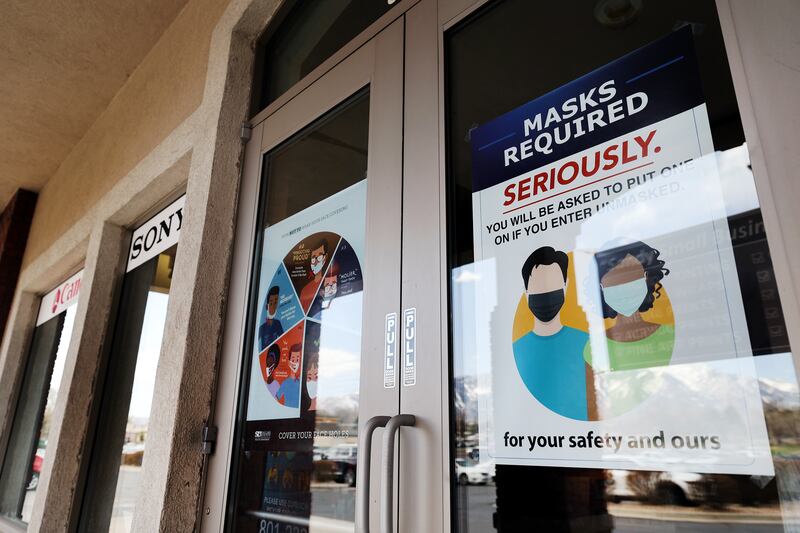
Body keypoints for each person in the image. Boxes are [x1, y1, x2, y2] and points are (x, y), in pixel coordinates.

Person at [512, 246, 592, 421]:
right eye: (538, 288)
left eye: (552, 286)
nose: (546, 295)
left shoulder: (588, 343)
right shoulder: (516, 352)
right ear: (526, 293)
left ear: (566, 285)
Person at [584, 240, 673, 371]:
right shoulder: (593, 349)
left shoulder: (670, 335)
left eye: (632, 276)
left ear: (647, 277)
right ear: (600, 287)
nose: (624, 287)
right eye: (613, 280)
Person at [300, 238, 329, 310]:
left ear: (325, 258)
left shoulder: (329, 283)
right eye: (313, 258)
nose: (315, 262)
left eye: (319, 257)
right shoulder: (305, 290)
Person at [277, 343, 302, 408]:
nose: (295, 363)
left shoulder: (301, 382)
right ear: (289, 362)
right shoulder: (285, 383)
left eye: (297, 360)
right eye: (293, 360)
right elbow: (276, 398)